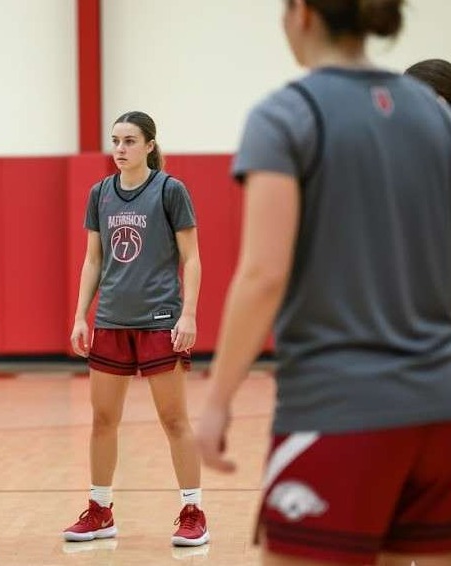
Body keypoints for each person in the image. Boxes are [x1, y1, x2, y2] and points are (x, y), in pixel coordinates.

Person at [196, 1, 451, 565]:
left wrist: (216, 401)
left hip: (340, 411)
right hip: (440, 414)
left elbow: (263, 274)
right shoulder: (434, 116)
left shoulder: (286, 114)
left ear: (304, 15)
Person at [61, 110, 207, 548]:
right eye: (115, 141)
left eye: (129, 141)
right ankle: (100, 509)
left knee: (174, 419)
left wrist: (188, 314)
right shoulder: (100, 193)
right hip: (111, 321)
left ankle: (193, 511)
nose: (120, 149)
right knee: (102, 420)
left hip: (160, 320)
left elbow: (192, 258)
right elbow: (93, 260)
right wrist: (80, 315)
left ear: (149, 145)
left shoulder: (170, 190)